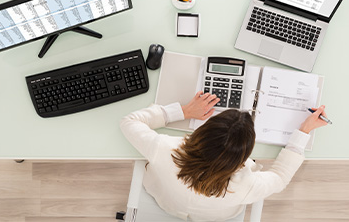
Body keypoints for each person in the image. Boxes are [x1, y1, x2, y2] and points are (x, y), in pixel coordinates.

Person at [120, 91, 328, 221]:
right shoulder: (247, 186)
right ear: (242, 157)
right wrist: (303, 131)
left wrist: (183, 111)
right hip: (216, 217)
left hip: (165, 201)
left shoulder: (165, 149)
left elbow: (129, 122)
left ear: (202, 132)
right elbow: (281, 177)